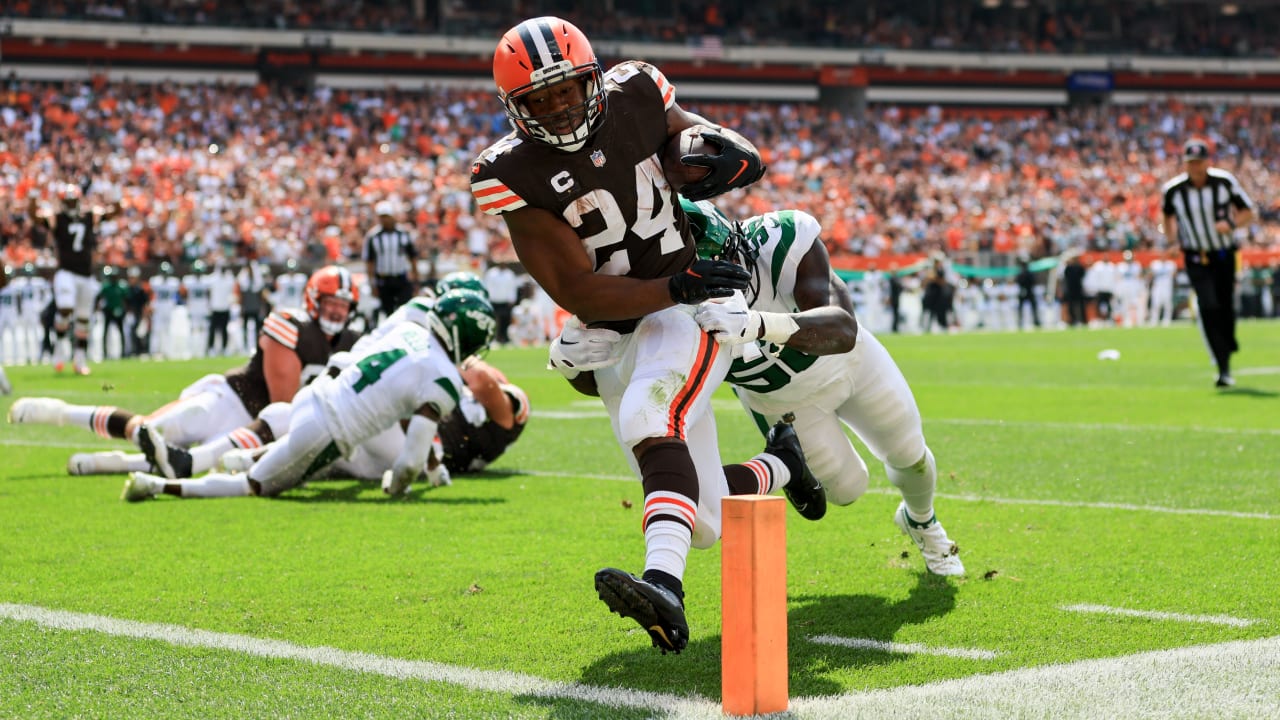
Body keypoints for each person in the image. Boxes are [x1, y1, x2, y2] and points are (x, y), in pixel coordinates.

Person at [470, 15, 769, 654]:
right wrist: (672, 288)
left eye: (568, 89)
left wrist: (727, 152)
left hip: (694, 304)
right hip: (627, 311)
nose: (557, 107)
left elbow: (705, 142)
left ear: (594, 78)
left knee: (648, 415)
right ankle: (780, 466)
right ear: (513, 108)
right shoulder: (509, 172)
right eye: (539, 99)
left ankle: (664, 586)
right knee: (708, 516)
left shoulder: (638, 91)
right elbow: (577, 291)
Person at [685, 198, 964, 576]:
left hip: (851, 362)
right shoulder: (670, 311)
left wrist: (756, 324)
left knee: (910, 454)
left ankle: (922, 520)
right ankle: (786, 460)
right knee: (847, 490)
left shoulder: (780, 241)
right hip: (783, 401)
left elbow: (843, 329)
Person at [121, 289, 496, 502]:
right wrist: (396, 489)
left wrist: (433, 469)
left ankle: (249, 454)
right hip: (329, 430)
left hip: (315, 395)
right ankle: (158, 485)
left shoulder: (408, 331)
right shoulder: (446, 378)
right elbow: (409, 460)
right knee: (253, 487)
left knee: (287, 442)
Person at [10, 266, 362, 474]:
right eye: (330, 303)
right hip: (234, 402)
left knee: (182, 463)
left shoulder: (353, 341)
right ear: (314, 300)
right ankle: (60, 413)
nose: (335, 312)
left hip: (257, 429)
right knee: (154, 430)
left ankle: (110, 463)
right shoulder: (290, 325)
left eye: (343, 306)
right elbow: (284, 402)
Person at [1160, 138, 1256, 388]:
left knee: (1225, 306)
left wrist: (1232, 225)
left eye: (1199, 162)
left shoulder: (1224, 182)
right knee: (1208, 304)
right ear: (1185, 164)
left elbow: (1248, 212)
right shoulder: (1174, 190)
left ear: (1207, 161)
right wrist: (1171, 241)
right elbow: (1167, 215)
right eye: (1190, 163)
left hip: (1223, 253)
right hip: (1195, 255)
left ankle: (1227, 343)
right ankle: (1223, 364)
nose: (1195, 167)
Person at [28, 183, 120, 375]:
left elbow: (114, 213)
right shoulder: (56, 218)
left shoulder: (89, 215)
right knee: (65, 307)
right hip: (66, 272)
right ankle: (60, 349)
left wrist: (116, 195)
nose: (70, 205)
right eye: (67, 201)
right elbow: (34, 217)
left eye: (72, 201)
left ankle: (79, 359)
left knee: (84, 320)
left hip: (86, 274)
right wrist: (32, 199)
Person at [363, 200, 419, 322]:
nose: (385, 220)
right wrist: (372, 284)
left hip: (401, 278)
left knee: (405, 312)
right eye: (382, 217)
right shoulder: (373, 236)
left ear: (392, 216)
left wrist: (415, 280)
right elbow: (370, 262)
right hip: (384, 280)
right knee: (388, 314)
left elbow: (412, 257)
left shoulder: (403, 233)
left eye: (386, 217)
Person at [482, 263, 521, 346]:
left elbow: (512, 287)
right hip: (493, 300)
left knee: (505, 320)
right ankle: (493, 338)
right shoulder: (491, 273)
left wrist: (512, 299)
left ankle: (504, 338)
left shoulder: (509, 274)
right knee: (493, 320)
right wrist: (487, 298)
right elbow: (487, 286)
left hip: (505, 301)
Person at [95, 267, 128, 359]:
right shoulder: (106, 287)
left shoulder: (121, 286)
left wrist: (125, 310)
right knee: (105, 332)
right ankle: (105, 352)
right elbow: (99, 298)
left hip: (119, 311)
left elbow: (126, 299)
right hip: (108, 311)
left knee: (121, 332)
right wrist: (98, 308)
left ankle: (123, 352)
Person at [1060, 253, 1087, 327]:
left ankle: (1082, 320)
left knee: (1080, 305)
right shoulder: (1068, 268)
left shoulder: (1079, 267)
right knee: (1071, 306)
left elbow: (1082, 276)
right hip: (1070, 290)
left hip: (1078, 289)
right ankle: (1072, 320)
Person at [1015, 259, 1041, 330]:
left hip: (1025, 291)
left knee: (1023, 307)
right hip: (1028, 291)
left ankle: (1021, 321)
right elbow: (1033, 281)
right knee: (1032, 307)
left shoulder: (1021, 273)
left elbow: (1018, 281)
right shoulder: (1029, 273)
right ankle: (1035, 321)